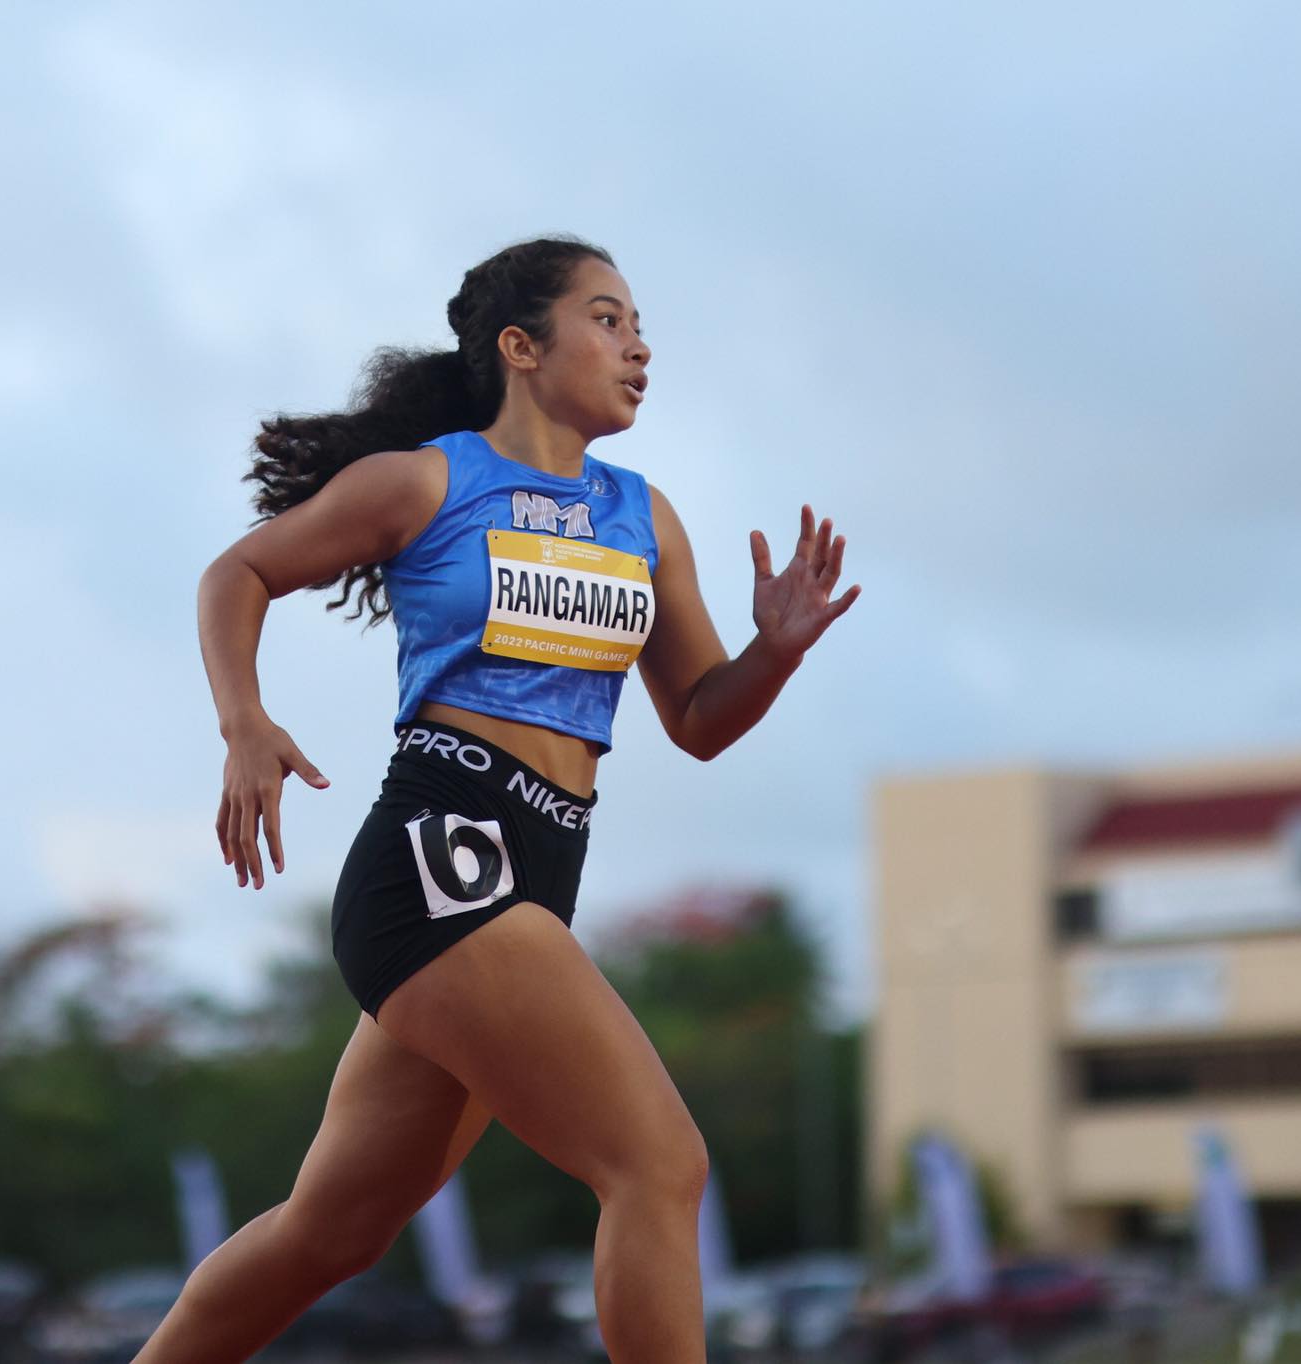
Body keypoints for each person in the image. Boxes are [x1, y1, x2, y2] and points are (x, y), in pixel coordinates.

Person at [147, 236, 859, 1363]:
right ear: (521, 348)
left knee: (332, 1233)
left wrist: (772, 653)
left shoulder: (643, 514)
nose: (639, 345)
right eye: (607, 319)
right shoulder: (426, 480)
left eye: (636, 324)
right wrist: (245, 723)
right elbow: (238, 572)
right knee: (657, 1162)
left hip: (539, 866)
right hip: (443, 848)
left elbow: (699, 720)